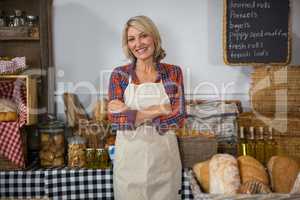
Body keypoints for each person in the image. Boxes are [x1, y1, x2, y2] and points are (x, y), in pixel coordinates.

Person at [107, 15, 186, 200]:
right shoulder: (119, 74)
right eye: (131, 39)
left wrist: (130, 113)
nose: (138, 44)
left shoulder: (173, 72)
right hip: (129, 166)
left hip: (164, 164)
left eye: (143, 36)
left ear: (154, 38)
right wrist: (160, 108)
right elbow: (116, 120)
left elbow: (178, 117)